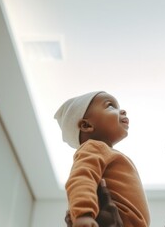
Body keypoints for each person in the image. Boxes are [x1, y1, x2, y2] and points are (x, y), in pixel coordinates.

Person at [54, 91, 150, 227]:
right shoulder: (93, 147)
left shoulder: (108, 152)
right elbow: (81, 177)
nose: (122, 111)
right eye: (111, 106)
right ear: (86, 125)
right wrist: (83, 214)